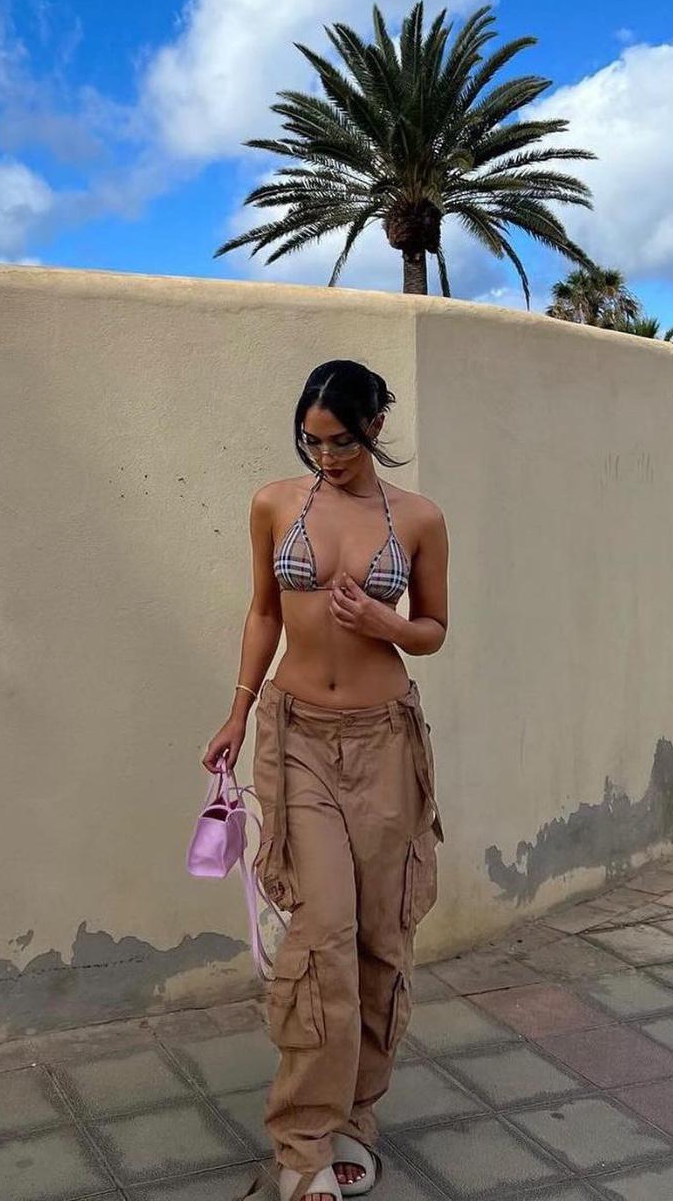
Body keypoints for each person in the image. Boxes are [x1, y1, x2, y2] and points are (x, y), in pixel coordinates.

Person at [203, 359, 450, 1201]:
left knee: (382, 936)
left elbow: (434, 629)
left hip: (384, 742)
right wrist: (237, 713)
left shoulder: (418, 518)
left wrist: (386, 621)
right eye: (311, 442)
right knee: (321, 935)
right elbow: (264, 611)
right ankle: (303, 1142)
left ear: (375, 426)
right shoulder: (276, 503)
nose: (325, 458)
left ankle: (356, 1118)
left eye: (340, 441)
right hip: (297, 735)